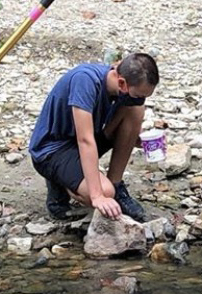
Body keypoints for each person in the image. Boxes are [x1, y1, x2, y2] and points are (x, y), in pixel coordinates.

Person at [29, 53, 159, 222]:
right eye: (139, 96)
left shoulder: (120, 89)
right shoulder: (85, 81)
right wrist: (97, 195)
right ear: (122, 83)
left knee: (135, 110)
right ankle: (59, 185)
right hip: (53, 150)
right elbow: (85, 140)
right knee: (105, 192)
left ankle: (116, 184)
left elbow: (112, 127)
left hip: (83, 139)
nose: (140, 100)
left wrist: (137, 139)